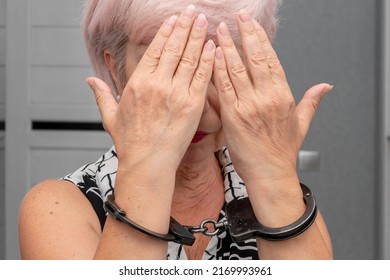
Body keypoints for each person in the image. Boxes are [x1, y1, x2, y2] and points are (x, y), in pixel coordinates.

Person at [18, 0, 333, 260]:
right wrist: (148, 168)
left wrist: (274, 175)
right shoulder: (57, 208)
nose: (192, 105)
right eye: (172, 64)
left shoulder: (293, 205)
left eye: (220, 65)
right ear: (116, 70)